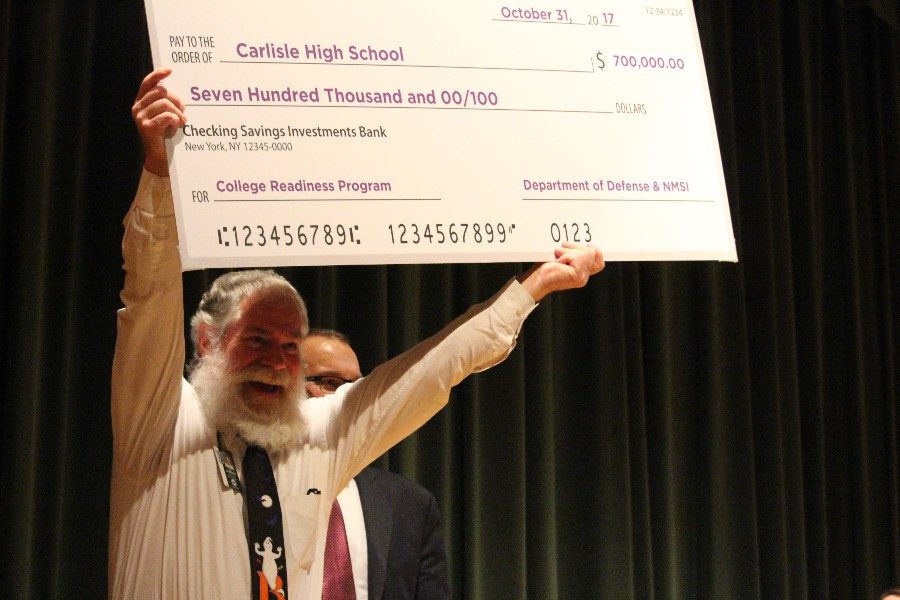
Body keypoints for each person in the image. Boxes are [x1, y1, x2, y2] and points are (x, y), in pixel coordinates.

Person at [109, 67, 605, 599]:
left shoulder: (320, 435)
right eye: (256, 340)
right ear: (206, 342)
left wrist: (531, 288)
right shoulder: (160, 416)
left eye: (290, 347)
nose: (277, 362)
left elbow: (431, 373)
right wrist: (160, 171)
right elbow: (149, 293)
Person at [301, 329, 449, 599]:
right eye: (330, 382)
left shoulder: (412, 504)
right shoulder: (255, 488)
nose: (348, 396)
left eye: (357, 386)